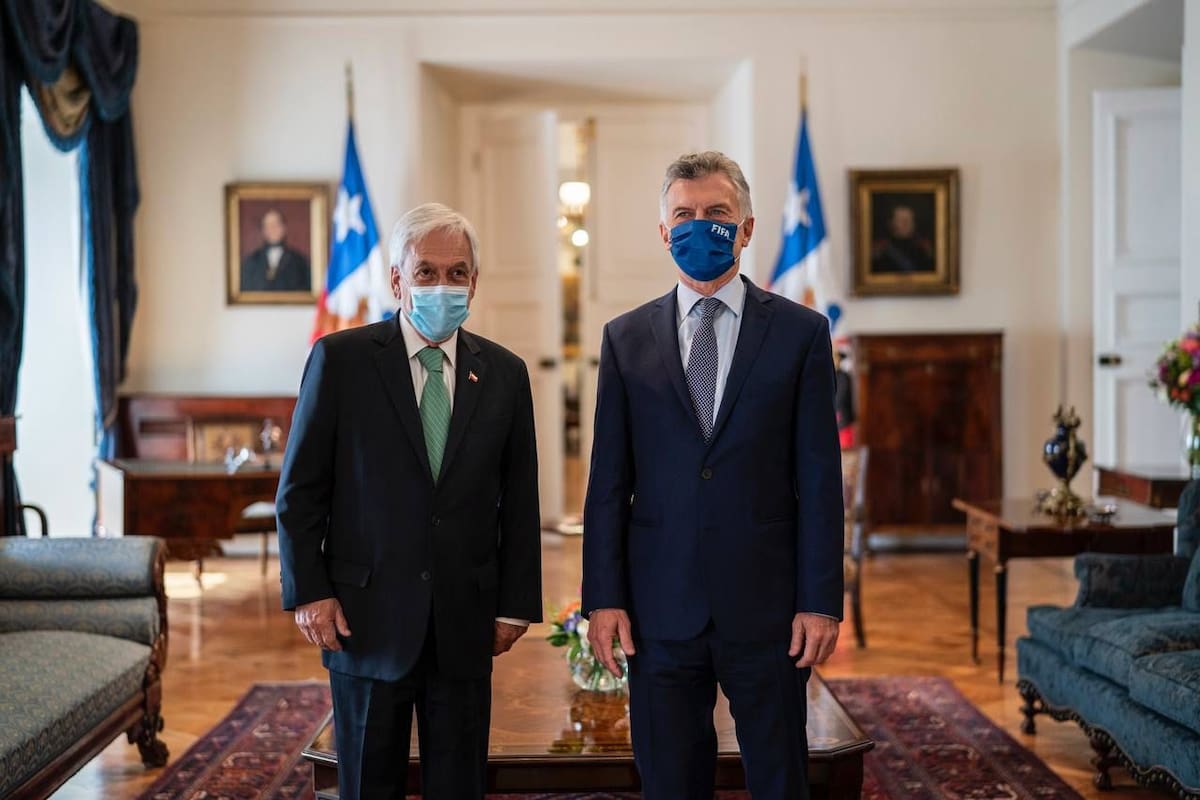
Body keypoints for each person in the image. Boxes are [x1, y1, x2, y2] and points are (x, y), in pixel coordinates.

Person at [582, 151, 843, 800]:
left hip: (768, 606)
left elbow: (818, 480)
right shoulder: (624, 339)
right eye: (685, 215)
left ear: (747, 228)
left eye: (717, 214)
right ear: (664, 231)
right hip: (658, 607)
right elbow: (608, 482)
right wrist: (603, 598)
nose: (701, 226)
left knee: (780, 777)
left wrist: (819, 599)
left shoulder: (802, 335)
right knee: (669, 780)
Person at [276, 202, 542, 799]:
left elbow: (520, 501)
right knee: (369, 785)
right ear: (397, 280)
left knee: (460, 785)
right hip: (362, 619)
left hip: (465, 622)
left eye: (456, 273)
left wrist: (515, 606)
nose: (441, 285)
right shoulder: (340, 361)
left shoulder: (505, 373)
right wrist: (310, 592)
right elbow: (300, 493)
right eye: (425, 272)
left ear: (474, 282)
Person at [240, 207, 312, 291]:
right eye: (268, 226)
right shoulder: (251, 261)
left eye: (276, 224)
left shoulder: (300, 261)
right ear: (263, 230)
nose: (273, 229)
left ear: (284, 228)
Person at [870, 202, 934, 274]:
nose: (906, 223)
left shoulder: (924, 248)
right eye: (901, 220)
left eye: (910, 219)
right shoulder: (880, 249)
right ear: (891, 223)